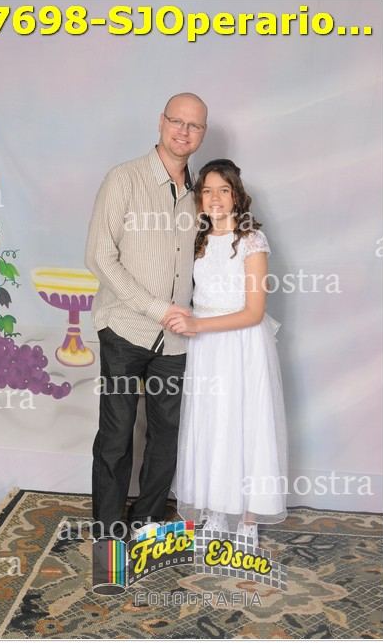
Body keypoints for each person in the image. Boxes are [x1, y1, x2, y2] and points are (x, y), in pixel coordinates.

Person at [85, 93, 208, 538]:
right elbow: (99, 256)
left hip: (175, 339)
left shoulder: (202, 194)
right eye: (177, 121)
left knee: (166, 436)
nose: (184, 131)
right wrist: (156, 308)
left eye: (194, 126)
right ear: (161, 122)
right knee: (117, 435)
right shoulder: (124, 179)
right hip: (125, 328)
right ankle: (108, 531)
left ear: (202, 134)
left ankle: (147, 522)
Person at [167, 159, 288, 545]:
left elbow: (254, 311)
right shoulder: (198, 239)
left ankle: (248, 519)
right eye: (207, 191)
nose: (215, 198)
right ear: (199, 198)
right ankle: (215, 511)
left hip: (240, 344)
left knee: (246, 422)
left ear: (237, 195)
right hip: (206, 349)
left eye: (224, 190)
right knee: (211, 423)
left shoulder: (252, 241)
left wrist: (198, 326)